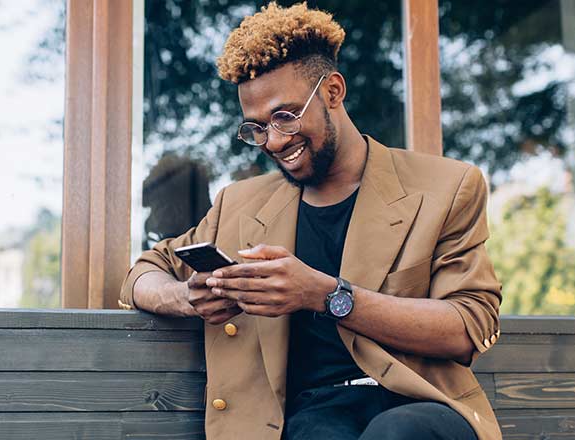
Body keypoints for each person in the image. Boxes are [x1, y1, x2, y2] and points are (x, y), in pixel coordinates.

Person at [119, 3, 502, 439]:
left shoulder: (447, 187)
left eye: (285, 116)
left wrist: (325, 295)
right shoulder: (240, 205)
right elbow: (142, 273)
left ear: (333, 91)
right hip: (310, 416)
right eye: (257, 128)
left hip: (419, 403)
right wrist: (185, 297)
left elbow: (469, 327)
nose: (275, 141)